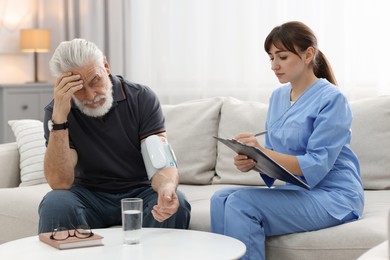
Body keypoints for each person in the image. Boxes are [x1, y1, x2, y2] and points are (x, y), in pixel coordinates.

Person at [210, 21, 364, 260]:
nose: (274, 66)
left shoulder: (333, 99)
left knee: (241, 203)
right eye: (271, 58)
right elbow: (274, 155)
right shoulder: (278, 97)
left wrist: (262, 151)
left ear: (308, 54)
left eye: (281, 57)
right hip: (300, 189)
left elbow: (316, 164)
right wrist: (252, 159)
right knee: (220, 198)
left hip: (335, 195)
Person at [38, 38, 191, 233]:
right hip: (88, 196)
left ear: (106, 66)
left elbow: (161, 164)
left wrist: (167, 187)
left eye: (95, 80)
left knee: (179, 204)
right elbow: (60, 183)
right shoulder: (57, 112)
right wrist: (59, 118)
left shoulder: (141, 97)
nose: (92, 95)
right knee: (55, 202)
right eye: (79, 89)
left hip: (140, 192)